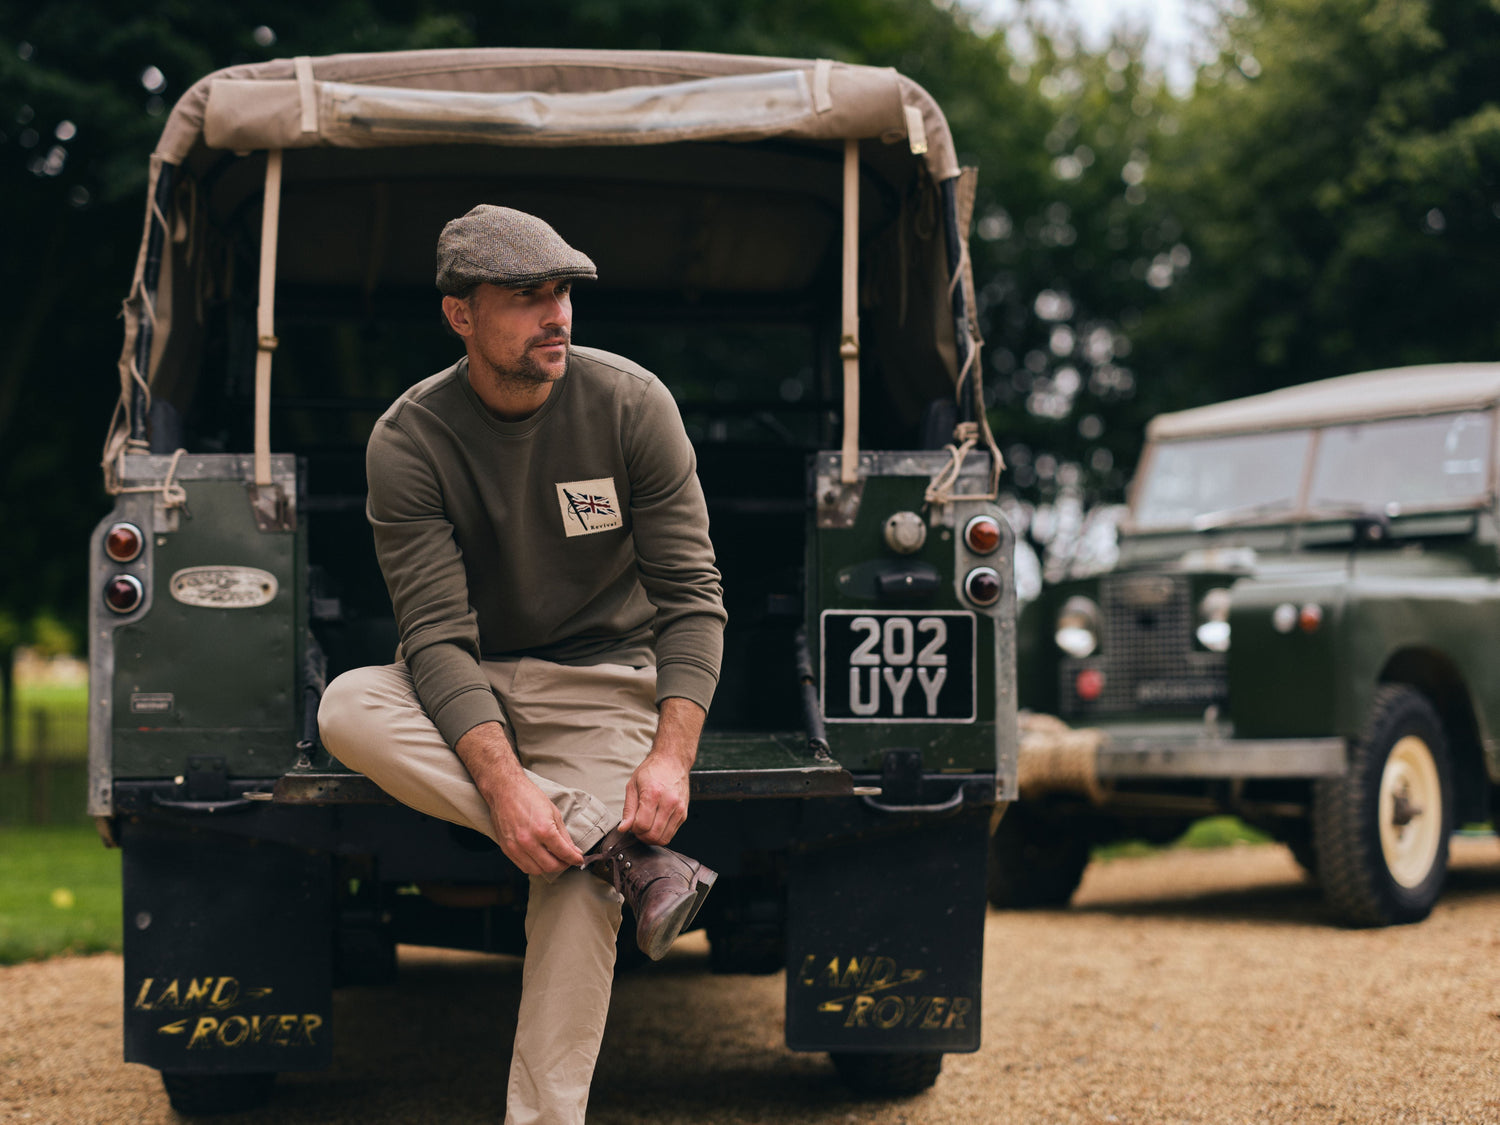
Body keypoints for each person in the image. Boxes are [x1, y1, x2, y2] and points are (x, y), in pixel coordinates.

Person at [318, 204, 725, 1125]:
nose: (558, 315)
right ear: (460, 315)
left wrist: (670, 757)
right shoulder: (409, 438)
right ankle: (622, 852)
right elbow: (433, 636)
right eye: (526, 296)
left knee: (575, 887)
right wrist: (504, 785)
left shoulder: (632, 403)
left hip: (603, 679)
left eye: (564, 292)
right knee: (346, 705)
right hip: (469, 678)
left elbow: (692, 597)